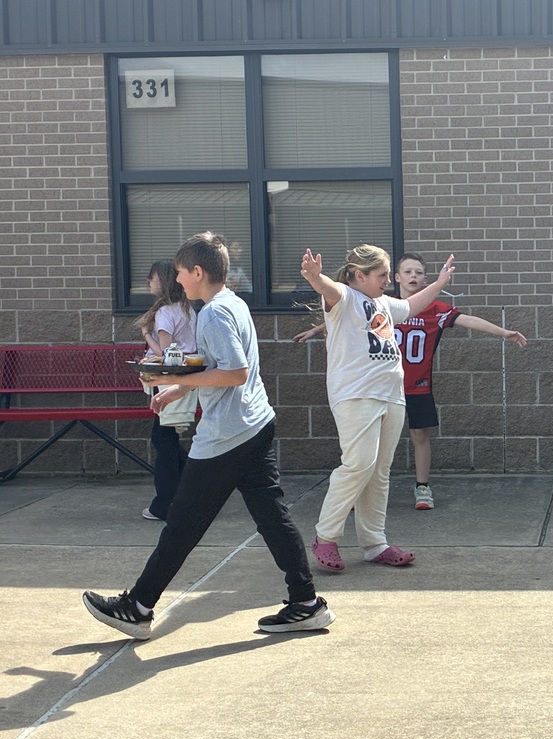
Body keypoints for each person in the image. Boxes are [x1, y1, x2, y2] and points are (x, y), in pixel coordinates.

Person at [83, 232, 334, 639]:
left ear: (198, 272)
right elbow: (220, 365)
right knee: (272, 516)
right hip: (255, 423)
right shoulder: (232, 303)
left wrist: (172, 378)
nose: (178, 280)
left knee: (182, 522)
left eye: (181, 272)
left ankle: (138, 607)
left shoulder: (214, 313)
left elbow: (235, 373)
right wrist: (177, 388)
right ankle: (306, 604)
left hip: (227, 435)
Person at [294, 252, 528, 511]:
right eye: (407, 272)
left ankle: (422, 487)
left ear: (426, 279)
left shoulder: (433, 309)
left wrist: (503, 332)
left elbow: (468, 320)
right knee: (365, 446)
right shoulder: (382, 303)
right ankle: (354, 493)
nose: (413, 276)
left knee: (419, 434)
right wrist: (318, 328)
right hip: (380, 386)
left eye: (418, 272)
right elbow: (347, 313)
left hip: (417, 384)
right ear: (395, 277)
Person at [299, 244, 455, 573]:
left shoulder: (384, 303)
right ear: (360, 275)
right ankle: (325, 536)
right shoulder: (345, 297)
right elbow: (329, 289)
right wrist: (315, 277)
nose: (387, 280)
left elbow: (411, 305)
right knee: (358, 464)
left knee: (380, 472)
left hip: (391, 395)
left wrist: (440, 283)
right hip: (356, 394)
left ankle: (374, 545)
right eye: (382, 275)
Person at [133, 259, 198, 522]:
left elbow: (166, 353)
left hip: (170, 380)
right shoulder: (187, 308)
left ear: (162, 280)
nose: (148, 281)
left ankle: (165, 503)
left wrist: (146, 335)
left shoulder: (165, 312)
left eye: (152, 277)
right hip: (187, 379)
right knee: (166, 438)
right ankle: (188, 493)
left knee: (163, 440)